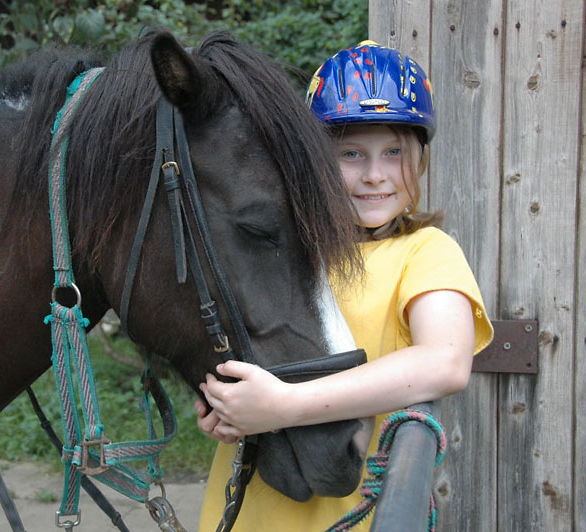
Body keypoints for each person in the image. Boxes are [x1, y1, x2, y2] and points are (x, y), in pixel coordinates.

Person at [195, 41, 494, 531]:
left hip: (351, 514)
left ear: (418, 159)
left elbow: (446, 361)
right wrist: (226, 405)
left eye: (393, 152)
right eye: (351, 154)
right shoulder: (287, 250)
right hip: (245, 510)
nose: (375, 176)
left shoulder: (425, 251)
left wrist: (283, 406)